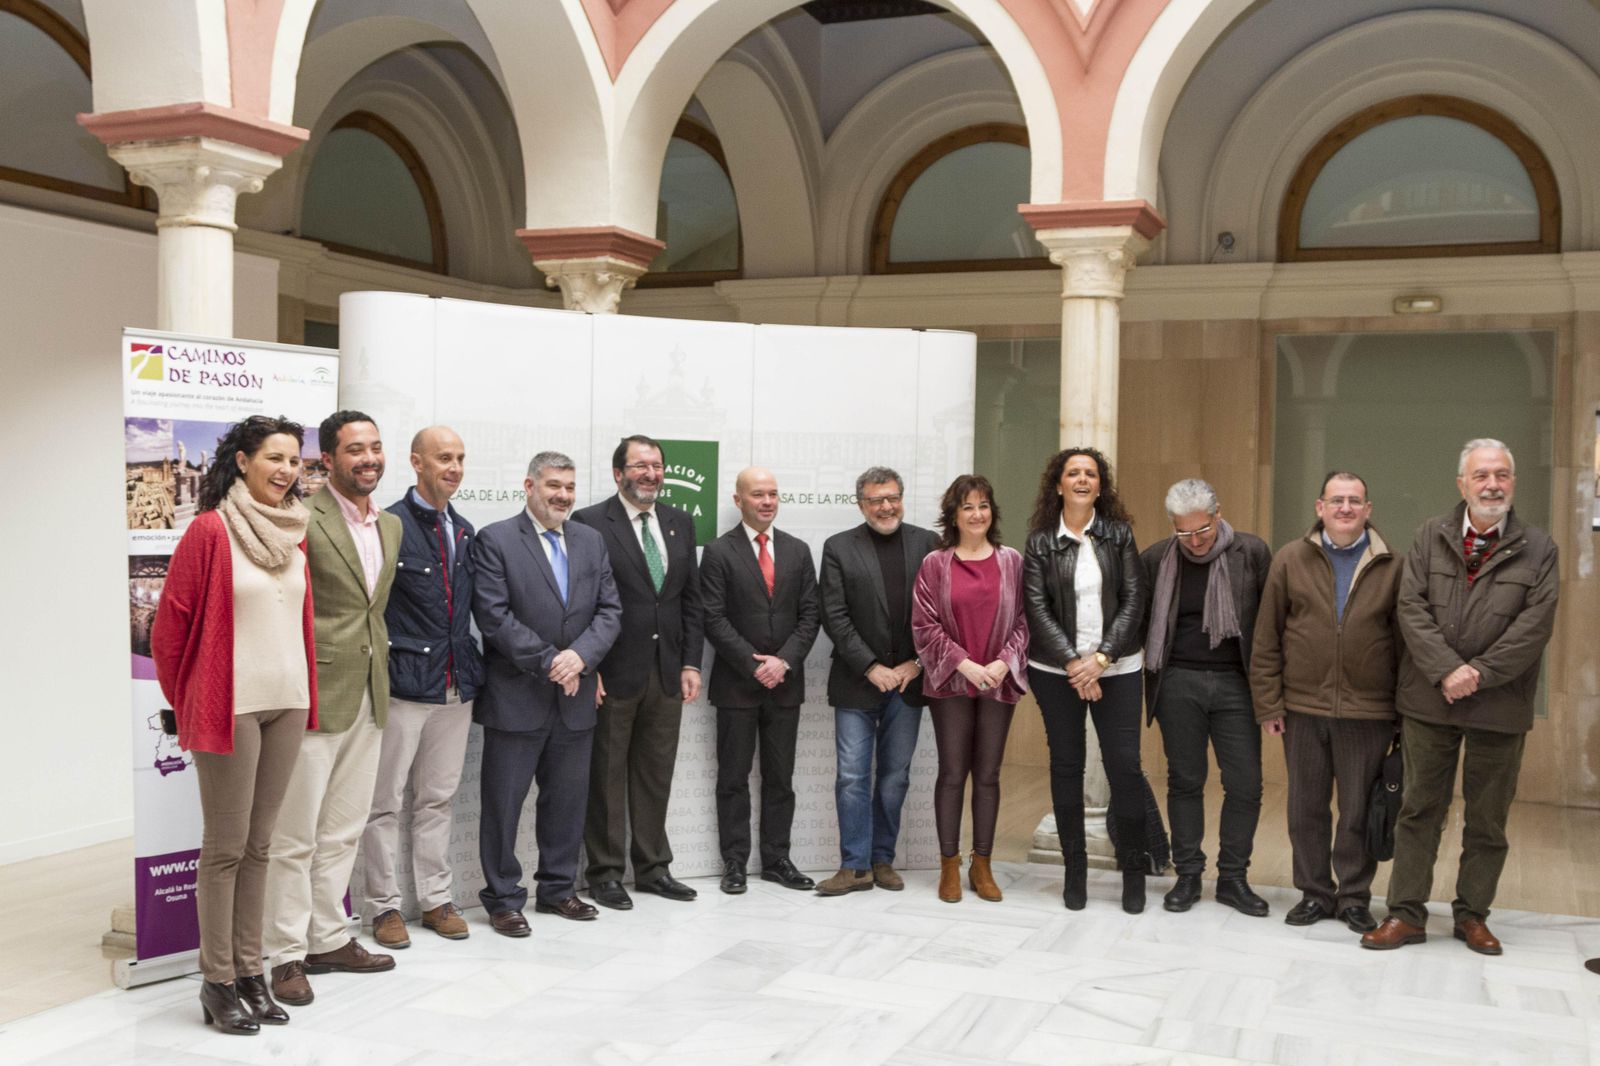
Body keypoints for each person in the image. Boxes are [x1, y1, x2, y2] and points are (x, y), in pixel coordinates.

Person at [152, 416, 316, 1035]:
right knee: (225, 849)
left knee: (261, 846)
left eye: (295, 460)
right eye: (274, 457)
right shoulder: (209, 530)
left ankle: (252, 972)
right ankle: (217, 981)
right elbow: (168, 633)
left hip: (289, 703)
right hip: (232, 706)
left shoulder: (295, 533)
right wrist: (191, 699)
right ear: (243, 461)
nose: (287, 470)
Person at [1364, 439, 1558, 956]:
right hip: (1430, 699)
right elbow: (1411, 608)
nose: (1492, 484)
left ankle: (1473, 916)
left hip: (1500, 705)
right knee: (1418, 809)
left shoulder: (1540, 548)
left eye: (1501, 475)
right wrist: (1448, 669)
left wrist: (1480, 672)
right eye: (1481, 475)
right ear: (1462, 484)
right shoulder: (1431, 535)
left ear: (1513, 483)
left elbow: (1534, 625)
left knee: (1488, 819)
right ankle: (1405, 914)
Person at [265, 411, 401, 1007]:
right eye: (354, 450)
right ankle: (285, 954)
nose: (368, 458)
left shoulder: (391, 525)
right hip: (314, 697)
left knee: (342, 832)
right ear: (326, 460)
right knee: (294, 838)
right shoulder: (302, 519)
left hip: (370, 695)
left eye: (375, 447)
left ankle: (328, 938)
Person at [471, 451, 622, 936]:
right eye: (553, 485)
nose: (563, 495)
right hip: (517, 696)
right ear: (529, 486)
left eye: (570, 487)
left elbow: (610, 611)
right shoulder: (495, 539)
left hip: (576, 698)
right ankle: (502, 898)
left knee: (567, 802)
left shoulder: (590, 540)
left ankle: (558, 889)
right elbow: (493, 617)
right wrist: (553, 663)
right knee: (503, 804)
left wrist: (580, 658)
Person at [1251, 472, 1400, 934]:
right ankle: (1315, 894)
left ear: (1368, 509)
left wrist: (1402, 714)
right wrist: (1269, 704)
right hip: (1302, 708)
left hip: (1369, 713)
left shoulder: (1392, 565)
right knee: (1305, 807)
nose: (1345, 508)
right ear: (1320, 507)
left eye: (1355, 500)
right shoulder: (1290, 559)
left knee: (1358, 810)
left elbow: (1406, 645)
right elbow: (1266, 638)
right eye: (1337, 500)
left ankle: (1354, 898)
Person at [361, 426, 484, 948]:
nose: (453, 467)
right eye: (442, 458)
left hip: (457, 688)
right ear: (416, 462)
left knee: (437, 798)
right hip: (403, 687)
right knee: (384, 802)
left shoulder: (464, 529)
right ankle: (383, 908)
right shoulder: (387, 525)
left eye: (459, 458)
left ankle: (435, 899)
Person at [572, 435, 704, 910]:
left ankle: (652, 869)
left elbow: (691, 601)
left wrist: (691, 662)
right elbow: (581, 601)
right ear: (618, 473)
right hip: (612, 672)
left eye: (657, 466)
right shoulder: (589, 522)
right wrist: (590, 666)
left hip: (667, 671)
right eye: (640, 466)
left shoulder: (679, 523)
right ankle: (605, 873)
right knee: (605, 776)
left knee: (655, 774)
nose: (651, 474)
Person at [1023, 448, 1149, 913]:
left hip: (1117, 668)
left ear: (1100, 485)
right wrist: (1075, 666)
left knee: (1124, 766)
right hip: (1057, 672)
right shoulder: (1039, 542)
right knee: (1066, 765)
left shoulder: (1118, 534)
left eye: (1090, 473)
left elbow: (1135, 598)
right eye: (1072, 473)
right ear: (1057, 484)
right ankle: (1074, 870)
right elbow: (1035, 608)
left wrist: (1101, 658)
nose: (1081, 479)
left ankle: (1132, 871)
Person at [1141, 479, 1272, 917]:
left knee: (1245, 783)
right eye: (1184, 533)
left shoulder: (1251, 553)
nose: (1195, 542)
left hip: (1237, 683)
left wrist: (1272, 694)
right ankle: (1189, 875)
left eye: (1203, 531)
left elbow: (1270, 628)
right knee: (1185, 780)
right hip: (1178, 682)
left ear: (1218, 515)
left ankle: (1233, 878)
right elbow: (1138, 622)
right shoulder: (1157, 559)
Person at [816, 466, 939, 895]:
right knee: (852, 776)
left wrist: (915, 665)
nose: (886, 506)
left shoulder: (929, 544)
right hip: (856, 681)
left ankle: (882, 859)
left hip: (909, 682)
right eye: (876, 500)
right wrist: (871, 666)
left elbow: (943, 614)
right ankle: (854, 866)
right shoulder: (838, 547)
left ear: (902, 497)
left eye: (892, 497)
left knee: (895, 777)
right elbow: (834, 615)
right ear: (861, 503)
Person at [700, 467, 821, 894]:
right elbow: (712, 618)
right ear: (738, 500)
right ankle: (734, 863)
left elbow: (811, 615)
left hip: (785, 685)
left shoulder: (799, 550)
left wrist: (783, 662)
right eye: (757, 495)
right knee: (732, 779)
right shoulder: (718, 552)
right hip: (736, 686)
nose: (767, 501)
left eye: (772, 494)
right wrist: (755, 666)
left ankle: (777, 859)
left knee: (780, 778)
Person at [911, 474, 1029, 903]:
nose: (977, 514)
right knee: (952, 773)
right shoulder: (935, 564)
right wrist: (965, 664)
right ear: (954, 516)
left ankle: (983, 864)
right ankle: (949, 865)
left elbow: (1024, 621)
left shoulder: (1013, 561)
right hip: (952, 683)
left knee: (989, 775)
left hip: (997, 680)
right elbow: (924, 625)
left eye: (983, 505)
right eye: (967, 507)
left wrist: (1000, 664)